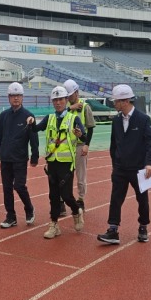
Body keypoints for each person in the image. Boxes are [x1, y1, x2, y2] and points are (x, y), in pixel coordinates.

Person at [98, 84, 151, 245]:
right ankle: (113, 229)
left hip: (139, 169)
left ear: (124, 101)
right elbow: (113, 144)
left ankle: (143, 226)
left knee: (142, 199)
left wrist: (149, 163)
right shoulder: (116, 120)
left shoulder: (143, 119)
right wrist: (115, 163)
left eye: (115, 101)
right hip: (120, 168)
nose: (114, 104)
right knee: (115, 199)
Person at [29, 86, 86, 239]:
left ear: (66, 100)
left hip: (67, 164)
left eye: (61, 99)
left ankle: (76, 211)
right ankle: (54, 225)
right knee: (53, 196)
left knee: (66, 195)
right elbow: (35, 129)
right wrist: (31, 121)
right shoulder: (49, 118)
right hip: (52, 162)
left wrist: (80, 135)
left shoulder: (74, 118)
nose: (58, 102)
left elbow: (84, 137)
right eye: (55, 100)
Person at [0, 82, 39, 229]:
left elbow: (33, 138)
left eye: (18, 95)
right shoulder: (4, 116)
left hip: (20, 158)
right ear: (9, 98)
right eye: (13, 96)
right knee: (6, 188)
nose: (16, 98)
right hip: (5, 158)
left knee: (19, 186)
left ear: (22, 97)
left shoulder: (28, 116)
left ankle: (29, 208)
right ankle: (10, 216)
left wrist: (35, 156)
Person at [63, 79, 95, 213]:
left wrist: (87, 145)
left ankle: (80, 199)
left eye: (70, 95)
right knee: (64, 176)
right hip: (66, 147)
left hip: (80, 145)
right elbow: (58, 116)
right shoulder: (66, 108)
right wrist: (70, 107)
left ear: (76, 92)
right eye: (67, 96)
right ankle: (63, 200)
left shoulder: (85, 107)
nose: (68, 98)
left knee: (80, 176)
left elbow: (91, 127)